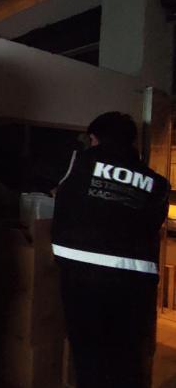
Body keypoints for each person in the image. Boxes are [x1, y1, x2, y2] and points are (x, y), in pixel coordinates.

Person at [51, 111, 170, 388]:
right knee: (127, 356)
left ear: (95, 138)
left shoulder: (81, 164)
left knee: (89, 355)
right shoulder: (157, 183)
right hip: (136, 283)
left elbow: (62, 201)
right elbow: (153, 222)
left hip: (83, 278)